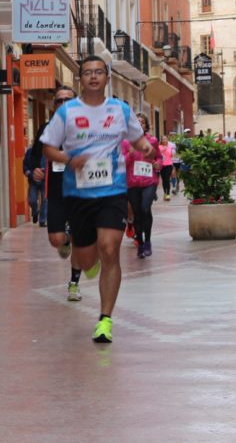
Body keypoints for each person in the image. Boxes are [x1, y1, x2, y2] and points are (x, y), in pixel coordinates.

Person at [41, 55, 154, 343]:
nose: (93, 77)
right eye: (88, 72)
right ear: (80, 78)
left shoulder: (119, 109)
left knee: (110, 248)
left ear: (107, 78)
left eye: (99, 72)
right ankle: (85, 260)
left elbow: (137, 139)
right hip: (78, 194)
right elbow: (49, 149)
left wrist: (145, 148)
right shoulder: (67, 113)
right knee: (87, 257)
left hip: (112, 191)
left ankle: (105, 320)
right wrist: (69, 159)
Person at [44, 85, 83, 301]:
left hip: (80, 193)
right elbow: (32, 157)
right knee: (55, 239)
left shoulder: (85, 128)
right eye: (59, 100)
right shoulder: (47, 129)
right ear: (54, 105)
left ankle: (74, 284)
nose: (63, 103)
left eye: (68, 99)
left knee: (80, 239)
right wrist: (34, 170)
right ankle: (64, 239)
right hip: (57, 193)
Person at [123, 115, 162, 258]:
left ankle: (148, 242)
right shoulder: (126, 143)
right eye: (136, 122)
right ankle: (139, 243)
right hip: (132, 183)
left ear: (146, 126)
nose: (139, 125)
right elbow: (121, 163)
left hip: (149, 182)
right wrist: (130, 154)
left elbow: (158, 157)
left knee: (146, 208)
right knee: (137, 214)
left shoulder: (152, 141)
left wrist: (159, 164)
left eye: (142, 122)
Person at [23, 128, 48, 227]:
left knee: (45, 200)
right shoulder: (30, 152)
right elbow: (25, 165)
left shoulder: (48, 153)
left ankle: (42, 220)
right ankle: (35, 211)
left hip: (45, 181)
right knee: (32, 200)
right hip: (33, 181)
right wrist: (30, 173)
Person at [159, 136, 174, 201]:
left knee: (167, 179)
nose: (164, 140)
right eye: (163, 139)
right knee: (163, 179)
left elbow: (171, 156)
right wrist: (163, 149)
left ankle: (168, 194)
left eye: (166, 139)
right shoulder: (159, 147)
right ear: (161, 141)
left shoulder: (170, 147)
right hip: (162, 166)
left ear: (167, 140)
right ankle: (165, 192)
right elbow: (158, 155)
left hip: (169, 165)